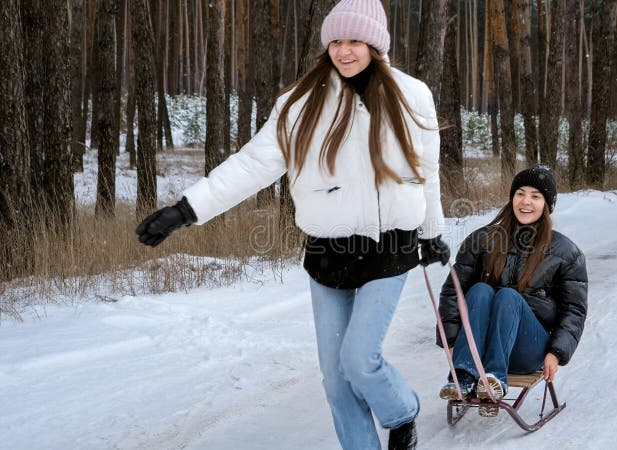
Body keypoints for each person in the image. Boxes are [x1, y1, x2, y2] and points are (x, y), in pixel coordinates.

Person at [135, 1, 450, 448]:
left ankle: (402, 413)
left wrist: (432, 232)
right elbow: (251, 165)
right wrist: (186, 210)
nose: (344, 51)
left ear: (375, 45)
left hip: (391, 247)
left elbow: (428, 170)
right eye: (336, 41)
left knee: (360, 360)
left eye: (354, 41)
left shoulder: (411, 95)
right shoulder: (301, 103)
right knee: (336, 380)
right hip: (329, 254)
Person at [435, 165, 587, 417]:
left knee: (508, 296)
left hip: (527, 348)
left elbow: (574, 309)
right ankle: (463, 374)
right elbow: (454, 291)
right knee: (481, 290)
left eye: (536, 196)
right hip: (478, 348)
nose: (526, 201)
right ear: (512, 197)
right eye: (520, 193)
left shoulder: (565, 252)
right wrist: (451, 340)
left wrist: (556, 352)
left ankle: (493, 380)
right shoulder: (482, 240)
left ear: (547, 205)